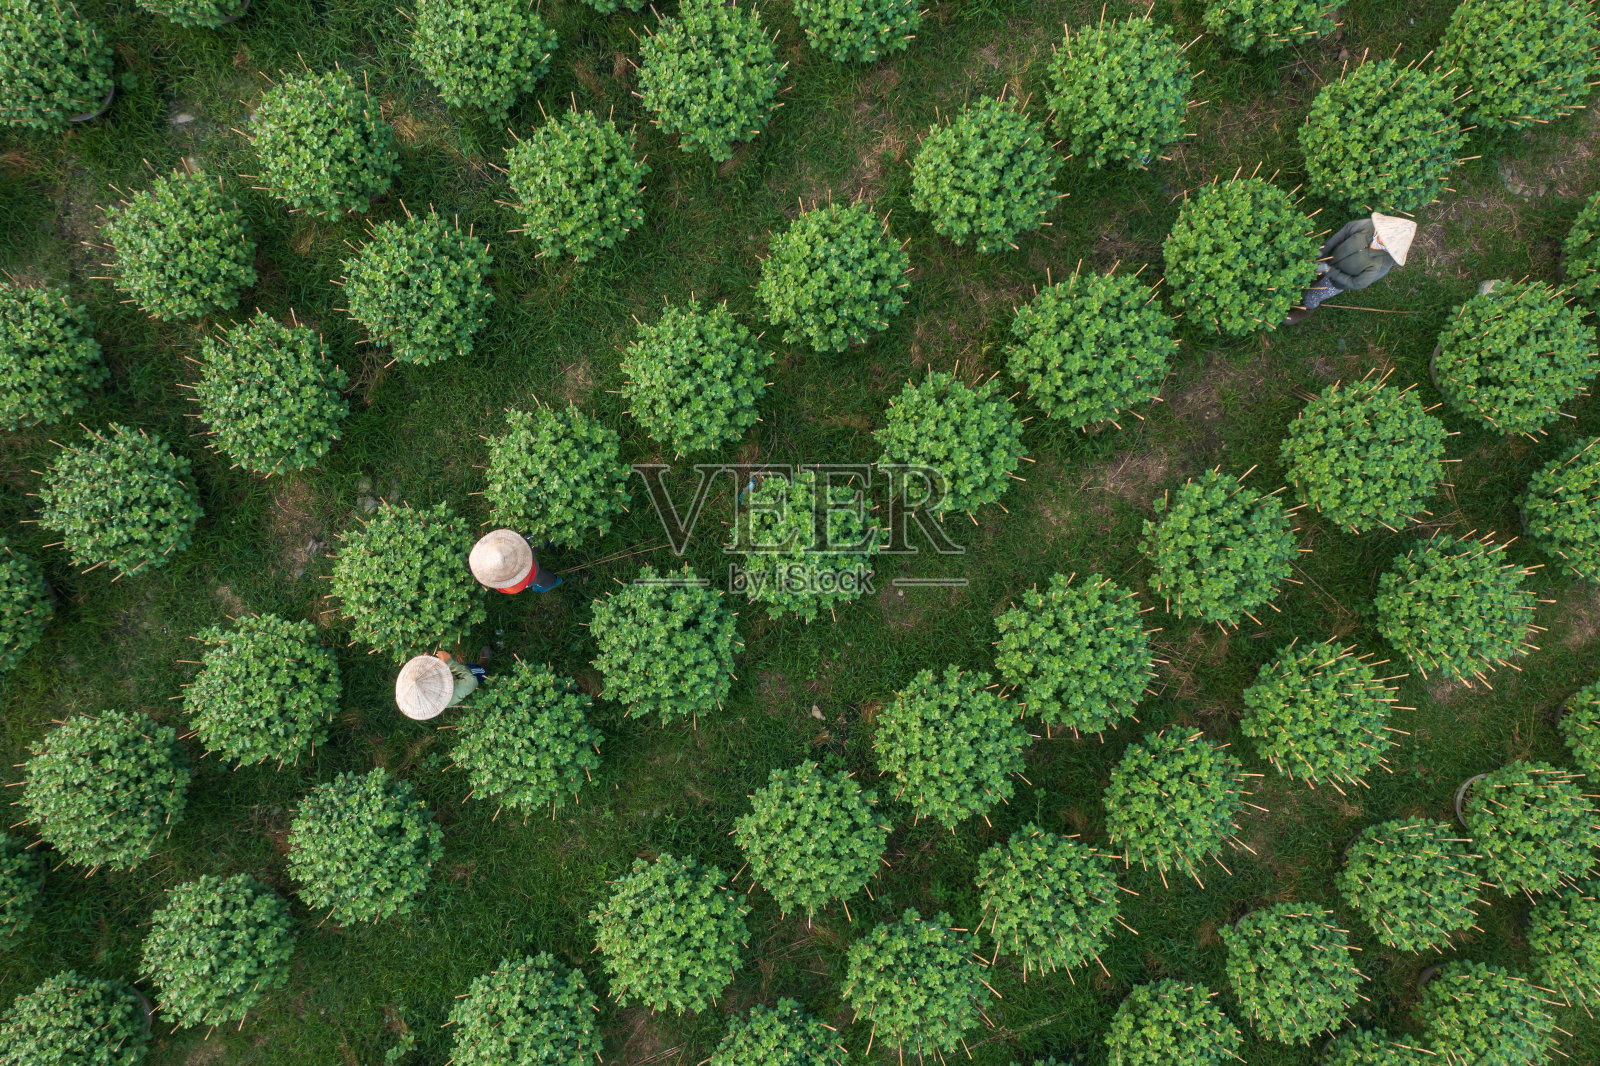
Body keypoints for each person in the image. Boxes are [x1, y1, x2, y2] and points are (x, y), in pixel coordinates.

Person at [1285, 212, 1417, 325]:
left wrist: (1330, 271)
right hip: (1328, 259)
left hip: (1336, 282)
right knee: (1308, 278)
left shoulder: (1381, 265)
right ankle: (1294, 293)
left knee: (1314, 295)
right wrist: (1323, 249)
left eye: (1387, 239)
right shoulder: (1369, 226)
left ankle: (1302, 311)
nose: (1380, 235)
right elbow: (1347, 230)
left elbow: (1357, 283)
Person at [395, 649, 489, 720]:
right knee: (474, 672)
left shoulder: (409, 689)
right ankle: (482, 667)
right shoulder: (451, 693)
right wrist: (449, 662)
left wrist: (426, 660)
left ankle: (457, 668)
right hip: (467, 678)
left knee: (457, 669)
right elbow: (471, 682)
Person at [468, 528, 561, 594]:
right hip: (523, 548)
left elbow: (503, 589)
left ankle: (553, 581)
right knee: (534, 542)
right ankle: (550, 539)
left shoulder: (511, 587)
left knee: (541, 578)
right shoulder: (498, 544)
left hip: (531, 574)